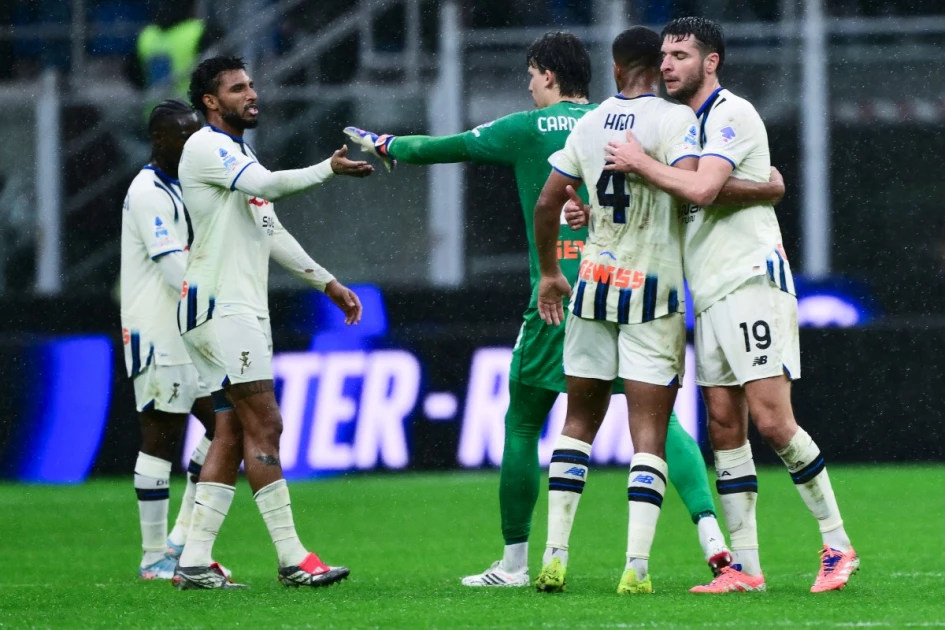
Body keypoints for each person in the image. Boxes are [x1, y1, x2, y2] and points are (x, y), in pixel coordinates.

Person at [344, 31, 779, 589]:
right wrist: (764, 188)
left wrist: (387, 145)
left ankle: (519, 562)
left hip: (574, 296)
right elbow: (694, 188)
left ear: (548, 75)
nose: (528, 85)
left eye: (531, 75)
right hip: (648, 288)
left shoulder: (540, 129)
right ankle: (712, 545)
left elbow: (447, 148)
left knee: (528, 422)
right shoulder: (636, 118)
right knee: (658, 422)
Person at [602, 17, 857, 594]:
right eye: (664, 55)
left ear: (710, 62)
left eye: (681, 55)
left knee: (772, 420)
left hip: (748, 281)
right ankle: (744, 568)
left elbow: (698, 190)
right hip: (708, 293)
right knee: (723, 428)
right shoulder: (679, 126)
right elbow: (682, 198)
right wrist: (590, 214)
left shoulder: (731, 113)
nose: (667, 64)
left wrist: (640, 162)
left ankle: (837, 544)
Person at [172, 55, 373, 590]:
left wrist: (326, 283)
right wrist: (327, 168)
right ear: (211, 102)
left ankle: (192, 560)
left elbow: (269, 226)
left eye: (252, 85)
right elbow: (272, 186)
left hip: (214, 308)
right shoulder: (208, 146)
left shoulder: (234, 152)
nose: (251, 93)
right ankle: (292, 558)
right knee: (267, 425)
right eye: (237, 88)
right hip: (225, 309)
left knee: (232, 430)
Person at [120, 99, 219, 580]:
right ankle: (153, 555)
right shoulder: (147, 191)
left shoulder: (183, 185)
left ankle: (179, 542)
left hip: (188, 330)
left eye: (197, 133)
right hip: (157, 330)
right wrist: (218, 305)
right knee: (160, 439)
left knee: (228, 427)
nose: (193, 142)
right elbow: (171, 266)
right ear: (159, 140)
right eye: (184, 135)